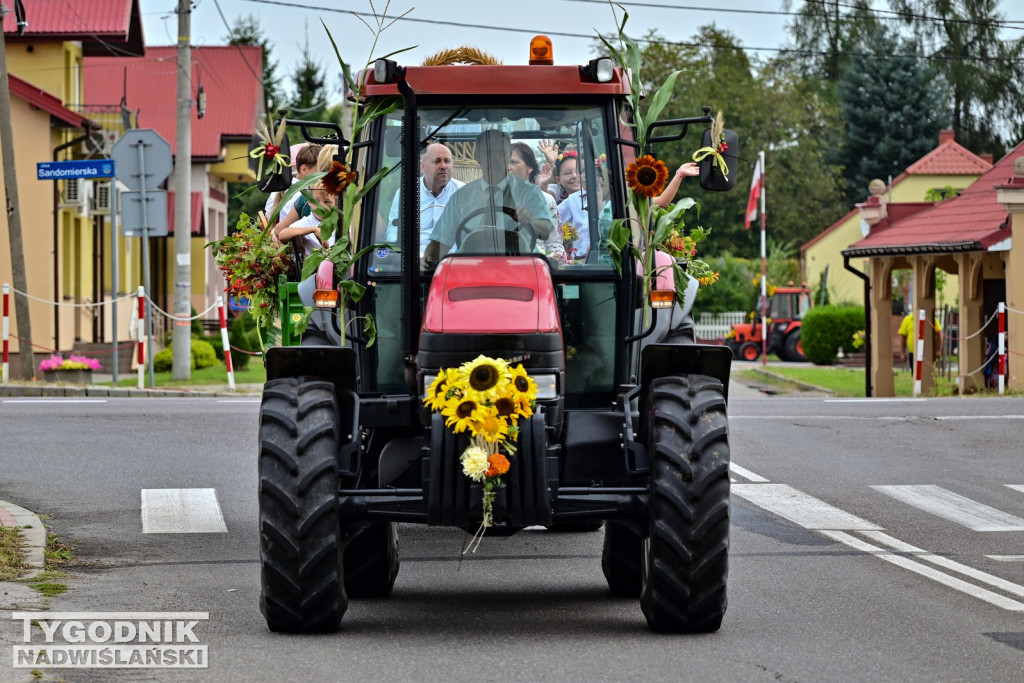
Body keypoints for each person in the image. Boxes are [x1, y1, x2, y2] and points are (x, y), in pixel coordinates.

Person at [423, 130, 554, 269]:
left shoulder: (529, 193)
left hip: (520, 267)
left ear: (509, 156)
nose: (495, 157)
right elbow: (440, 242)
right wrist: (427, 261)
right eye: (488, 152)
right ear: (477, 156)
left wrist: (530, 221)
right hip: (470, 269)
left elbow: (545, 232)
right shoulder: (460, 197)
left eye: (501, 152)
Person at [387, 142, 464, 256]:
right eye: (437, 161)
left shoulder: (463, 192)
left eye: (447, 161)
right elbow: (393, 232)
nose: (443, 166)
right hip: (412, 259)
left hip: (451, 259)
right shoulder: (406, 192)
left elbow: (471, 235)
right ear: (422, 167)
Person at [507, 142, 562, 251]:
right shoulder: (492, 196)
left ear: (529, 167)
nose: (508, 167)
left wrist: (529, 221)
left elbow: (555, 245)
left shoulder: (547, 200)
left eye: (513, 162)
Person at [265, 143, 323, 229]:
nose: (323, 175)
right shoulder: (305, 195)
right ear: (304, 169)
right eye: (320, 171)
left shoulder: (282, 188)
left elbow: (268, 215)